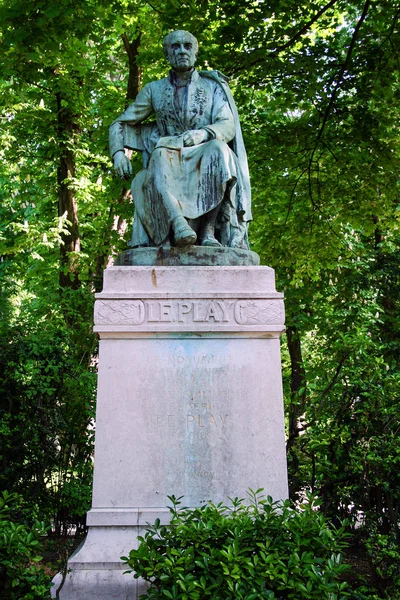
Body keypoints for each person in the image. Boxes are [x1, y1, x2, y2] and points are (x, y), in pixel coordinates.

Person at [110, 30, 252, 249]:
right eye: (175, 47)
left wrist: (204, 133)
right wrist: (118, 152)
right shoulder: (153, 89)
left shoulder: (212, 87)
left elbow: (228, 124)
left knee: (220, 151)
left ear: (195, 52)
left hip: (203, 150)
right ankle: (178, 224)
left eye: (187, 46)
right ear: (167, 55)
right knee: (159, 155)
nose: (182, 51)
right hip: (169, 152)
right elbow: (121, 123)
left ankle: (208, 231)